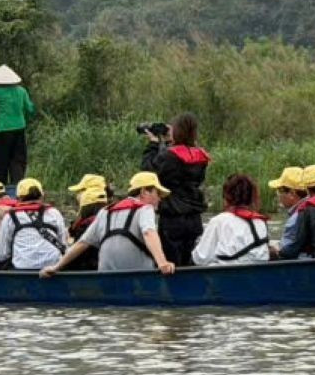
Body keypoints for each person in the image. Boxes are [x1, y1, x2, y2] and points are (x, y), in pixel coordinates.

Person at [43, 171, 176, 277]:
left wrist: (56, 267)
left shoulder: (105, 211)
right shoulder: (145, 209)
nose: (159, 198)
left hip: (105, 278)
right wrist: (162, 263)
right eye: (157, 193)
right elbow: (149, 232)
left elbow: (82, 243)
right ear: (144, 192)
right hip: (138, 277)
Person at [143, 113, 210, 266]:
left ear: (178, 131)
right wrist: (168, 142)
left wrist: (153, 144)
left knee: (171, 265)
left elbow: (148, 172)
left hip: (173, 217)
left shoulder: (169, 157)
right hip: (194, 218)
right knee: (190, 263)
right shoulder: (200, 156)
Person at [0, 64, 38, 187]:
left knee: (2, 161)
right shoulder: (21, 91)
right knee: (18, 160)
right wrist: (24, 117)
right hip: (19, 129)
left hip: (3, 130)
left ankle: (0, 188)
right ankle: (18, 187)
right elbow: (30, 109)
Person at [192, 174, 271, 267]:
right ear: (252, 197)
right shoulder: (260, 222)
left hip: (225, 277)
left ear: (227, 197)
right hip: (257, 276)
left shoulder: (219, 221)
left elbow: (201, 258)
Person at [0, 178, 68, 272]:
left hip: (22, 271)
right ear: (42, 196)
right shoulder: (54, 213)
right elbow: (63, 244)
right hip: (53, 270)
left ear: (18, 198)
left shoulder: (10, 217)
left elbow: (2, 254)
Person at [60, 179, 110, 272]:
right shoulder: (111, 217)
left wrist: (59, 265)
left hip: (89, 273)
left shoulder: (87, 224)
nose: (78, 195)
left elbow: (78, 253)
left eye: (82, 191)